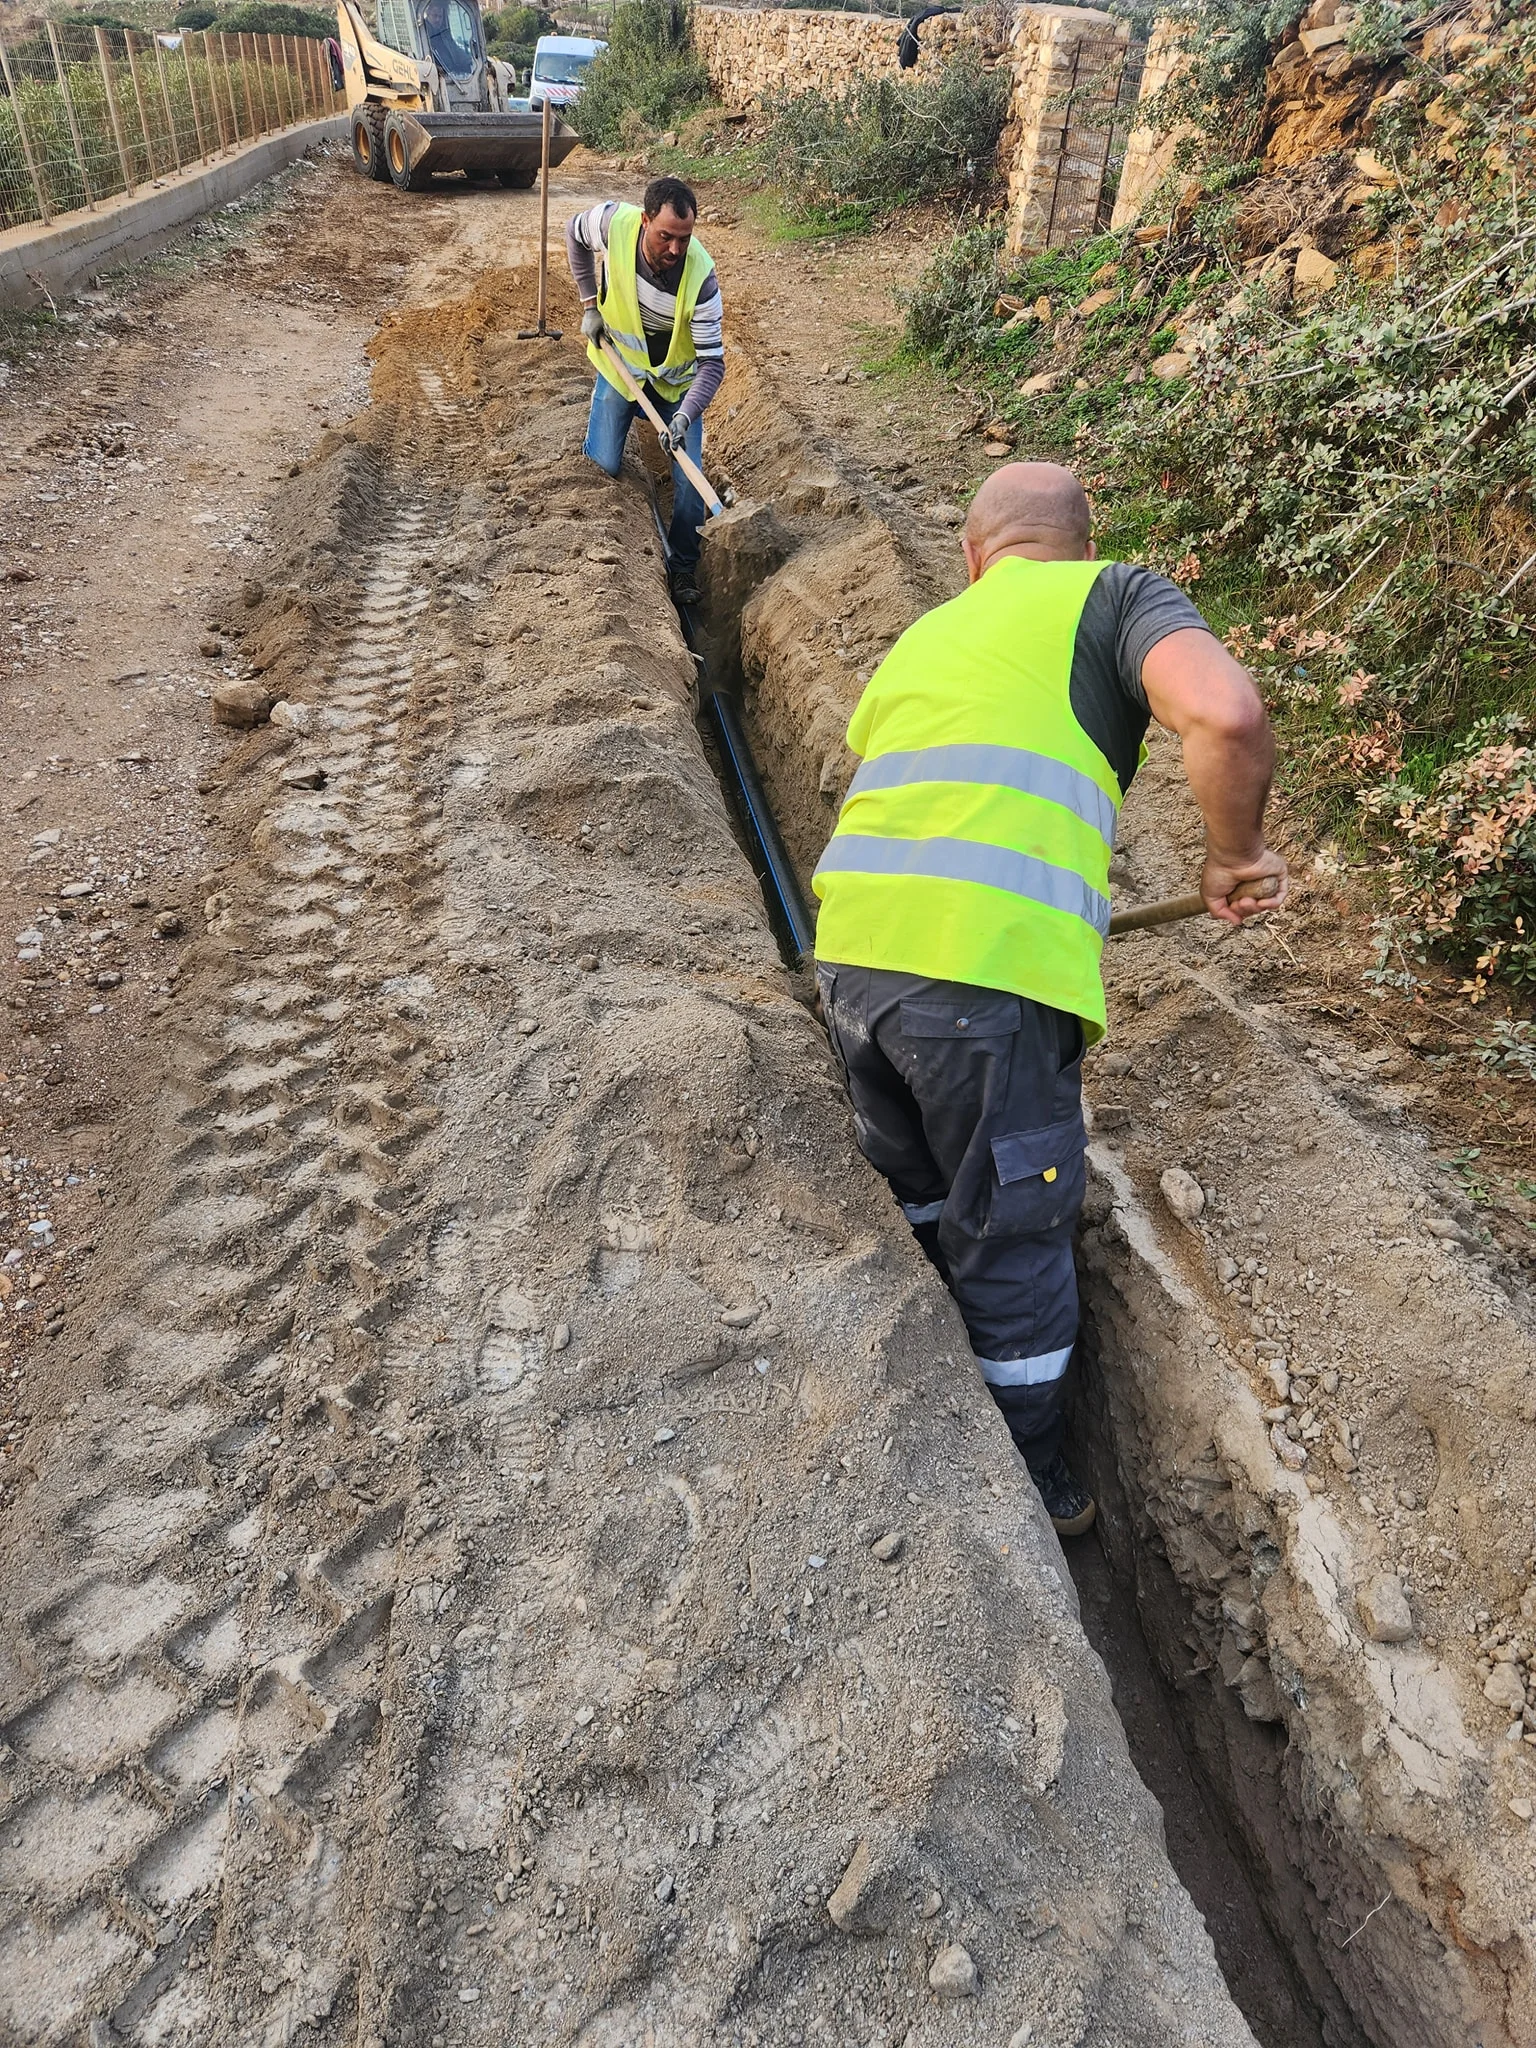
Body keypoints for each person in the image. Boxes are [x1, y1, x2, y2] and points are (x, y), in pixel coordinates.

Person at [812, 462, 1288, 1536]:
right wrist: (1234, 853)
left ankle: (933, 1325)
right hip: (982, 987)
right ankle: (1026, 1478)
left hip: (849, 956)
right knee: (1015, 1229)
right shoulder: (1113, 595)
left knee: (922, 1183)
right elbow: (1225, 711)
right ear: (1083, 543)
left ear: (976, 556)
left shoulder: (927, 634)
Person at [566, 176, 725, 607]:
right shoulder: (613, 223)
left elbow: (713, 364)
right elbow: (572, 234)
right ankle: (641, 527)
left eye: (685, 239)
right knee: (603, 465)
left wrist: (684, 415)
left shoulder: (701, 280)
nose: (675, 249)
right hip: (624, 371)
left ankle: (684, 566)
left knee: (690, 482)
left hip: (676, 386)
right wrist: (588, 305)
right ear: (645, 220)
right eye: (665, 236)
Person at [421, 0, 472, 76]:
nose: (438, 19)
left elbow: (455, 50)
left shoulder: (444, 33)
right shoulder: (423, 33)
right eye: (435, 16)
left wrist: (470, 60)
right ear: (428, 13)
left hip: (452, 77)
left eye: (440, 16)